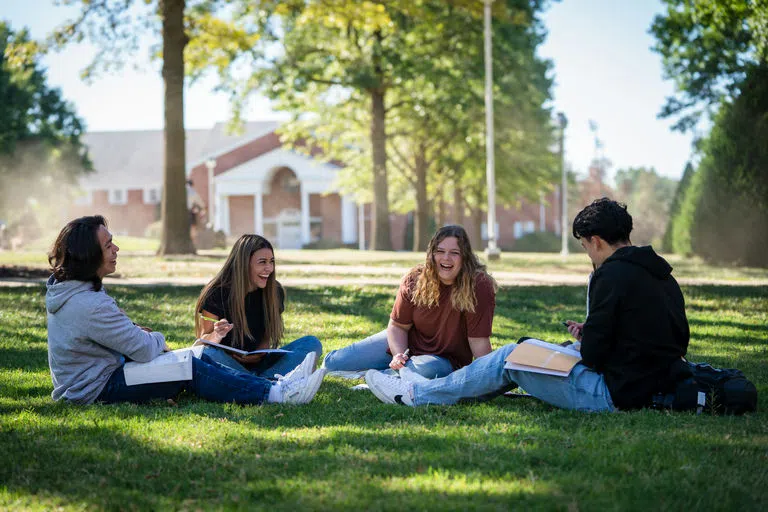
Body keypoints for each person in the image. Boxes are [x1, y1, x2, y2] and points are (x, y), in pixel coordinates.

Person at [365, 198, 690, 412]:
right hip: (652, 385)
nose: (588, 254)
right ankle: (438, 387)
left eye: (585, 246)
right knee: (534, 350)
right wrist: (591, 336)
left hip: (615, 394)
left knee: (511, 355)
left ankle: (414, 394)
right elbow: (675, 339)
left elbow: (594, 355)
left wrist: (589, 342)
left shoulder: (611, 275)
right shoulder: (660, 273)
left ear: (597, 241)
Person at [45, 216, 326, 405]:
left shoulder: (77, 291)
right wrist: (153, 337)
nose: (116, 248)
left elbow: (123, 340)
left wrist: (136, 337)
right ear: (89, 255)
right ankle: (276, 393)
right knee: (190, 365)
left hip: (106, 375)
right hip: (98, 387)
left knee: (186, 362)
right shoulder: (88, 302)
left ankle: (274, 384)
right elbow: (144, 349)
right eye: (108, 245)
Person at [323, 225, 497, 379]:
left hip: (443, 360)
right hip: (405, 345)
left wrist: (491, 377)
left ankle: (378, 377)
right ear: (431, 254)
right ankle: (392, 372)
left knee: (425, 371)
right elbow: (398, 326)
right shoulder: (415, 279)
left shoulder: (479, 286)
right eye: (440, 251)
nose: (446, 258)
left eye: (454, 253)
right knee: (333, 364)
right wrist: (398, 355)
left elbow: (479, 341)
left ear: (465, 257)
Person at [194, 234, 323, 379]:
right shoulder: (217, 293)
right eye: (262, 262)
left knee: (311, 343)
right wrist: (216, 335)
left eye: (271, 262)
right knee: (207, 354)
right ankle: (266, 382)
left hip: (261, 364)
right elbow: (202, 344)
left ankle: (258, 381)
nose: (269, 268)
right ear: (243, 264)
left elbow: (266, 336)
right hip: (227, 363)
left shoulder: (274, 291)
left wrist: (260, 352)